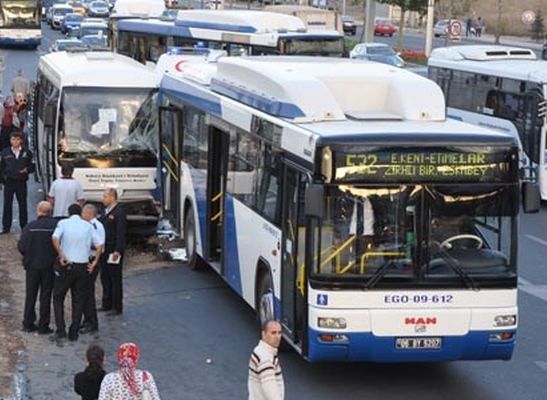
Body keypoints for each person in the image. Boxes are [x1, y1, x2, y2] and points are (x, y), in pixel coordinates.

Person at [51, 203, 102, 342]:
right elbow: (99, 245)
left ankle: (61, 330)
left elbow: (54, 238)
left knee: (58, 297)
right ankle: (74, 332)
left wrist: (61, 254)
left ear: (68, 213)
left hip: (67, 264)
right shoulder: (88, 226)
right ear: (80, 213)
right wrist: (95, 262)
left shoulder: (63, 223)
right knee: (78, 299)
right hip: (82, 267)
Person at [17, 201, 58, 334]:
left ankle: (28, 322)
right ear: (50, 211)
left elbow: (21, 246)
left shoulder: (30, 227)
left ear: (38, 211)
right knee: (46, 295)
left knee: (31, 294)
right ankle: (43, 325)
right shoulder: (55, 226)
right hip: (49, 266)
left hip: (32, 265)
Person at [99, 188, 127, 316]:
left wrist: (118, 250)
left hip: (113, 250)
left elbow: (121, 233)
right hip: (104, 249)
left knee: (115, 277)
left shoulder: (119, 212)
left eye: (105, 196)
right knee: (105, 276)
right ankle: (106, 303)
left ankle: (117, 306)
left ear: (112, 197)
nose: (103, 199)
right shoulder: (104, 211)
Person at [0, 131, 34, 234]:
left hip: (21, 182)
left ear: (21, 141)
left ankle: (24, 226)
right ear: (10, 141)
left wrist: (27, 170)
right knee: (7, 205)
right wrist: (1, 181)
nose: (15, 141)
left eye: (17, 139)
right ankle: (6, 227)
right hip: (9, 182)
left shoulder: (27, 153)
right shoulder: (5, 153)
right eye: (13, 139)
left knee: (22, 204)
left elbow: (32, 166)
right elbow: (1, 168)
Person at [81, 204, 105, 334]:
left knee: (88, 292)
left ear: (89, 214)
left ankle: (91, 322)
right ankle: (87, 320)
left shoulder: (93, 226)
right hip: (92, 260)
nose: (81, 216)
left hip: (91, 260)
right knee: (86, 292)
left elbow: (98, 245)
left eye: (83, 214)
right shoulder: (95, 225)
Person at [248, 320, 284, 400]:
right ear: (263, 334)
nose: (277, 337)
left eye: (279, 332)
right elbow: (270, 389)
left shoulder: (261, 351)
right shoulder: (265, 357)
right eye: (273, 333)